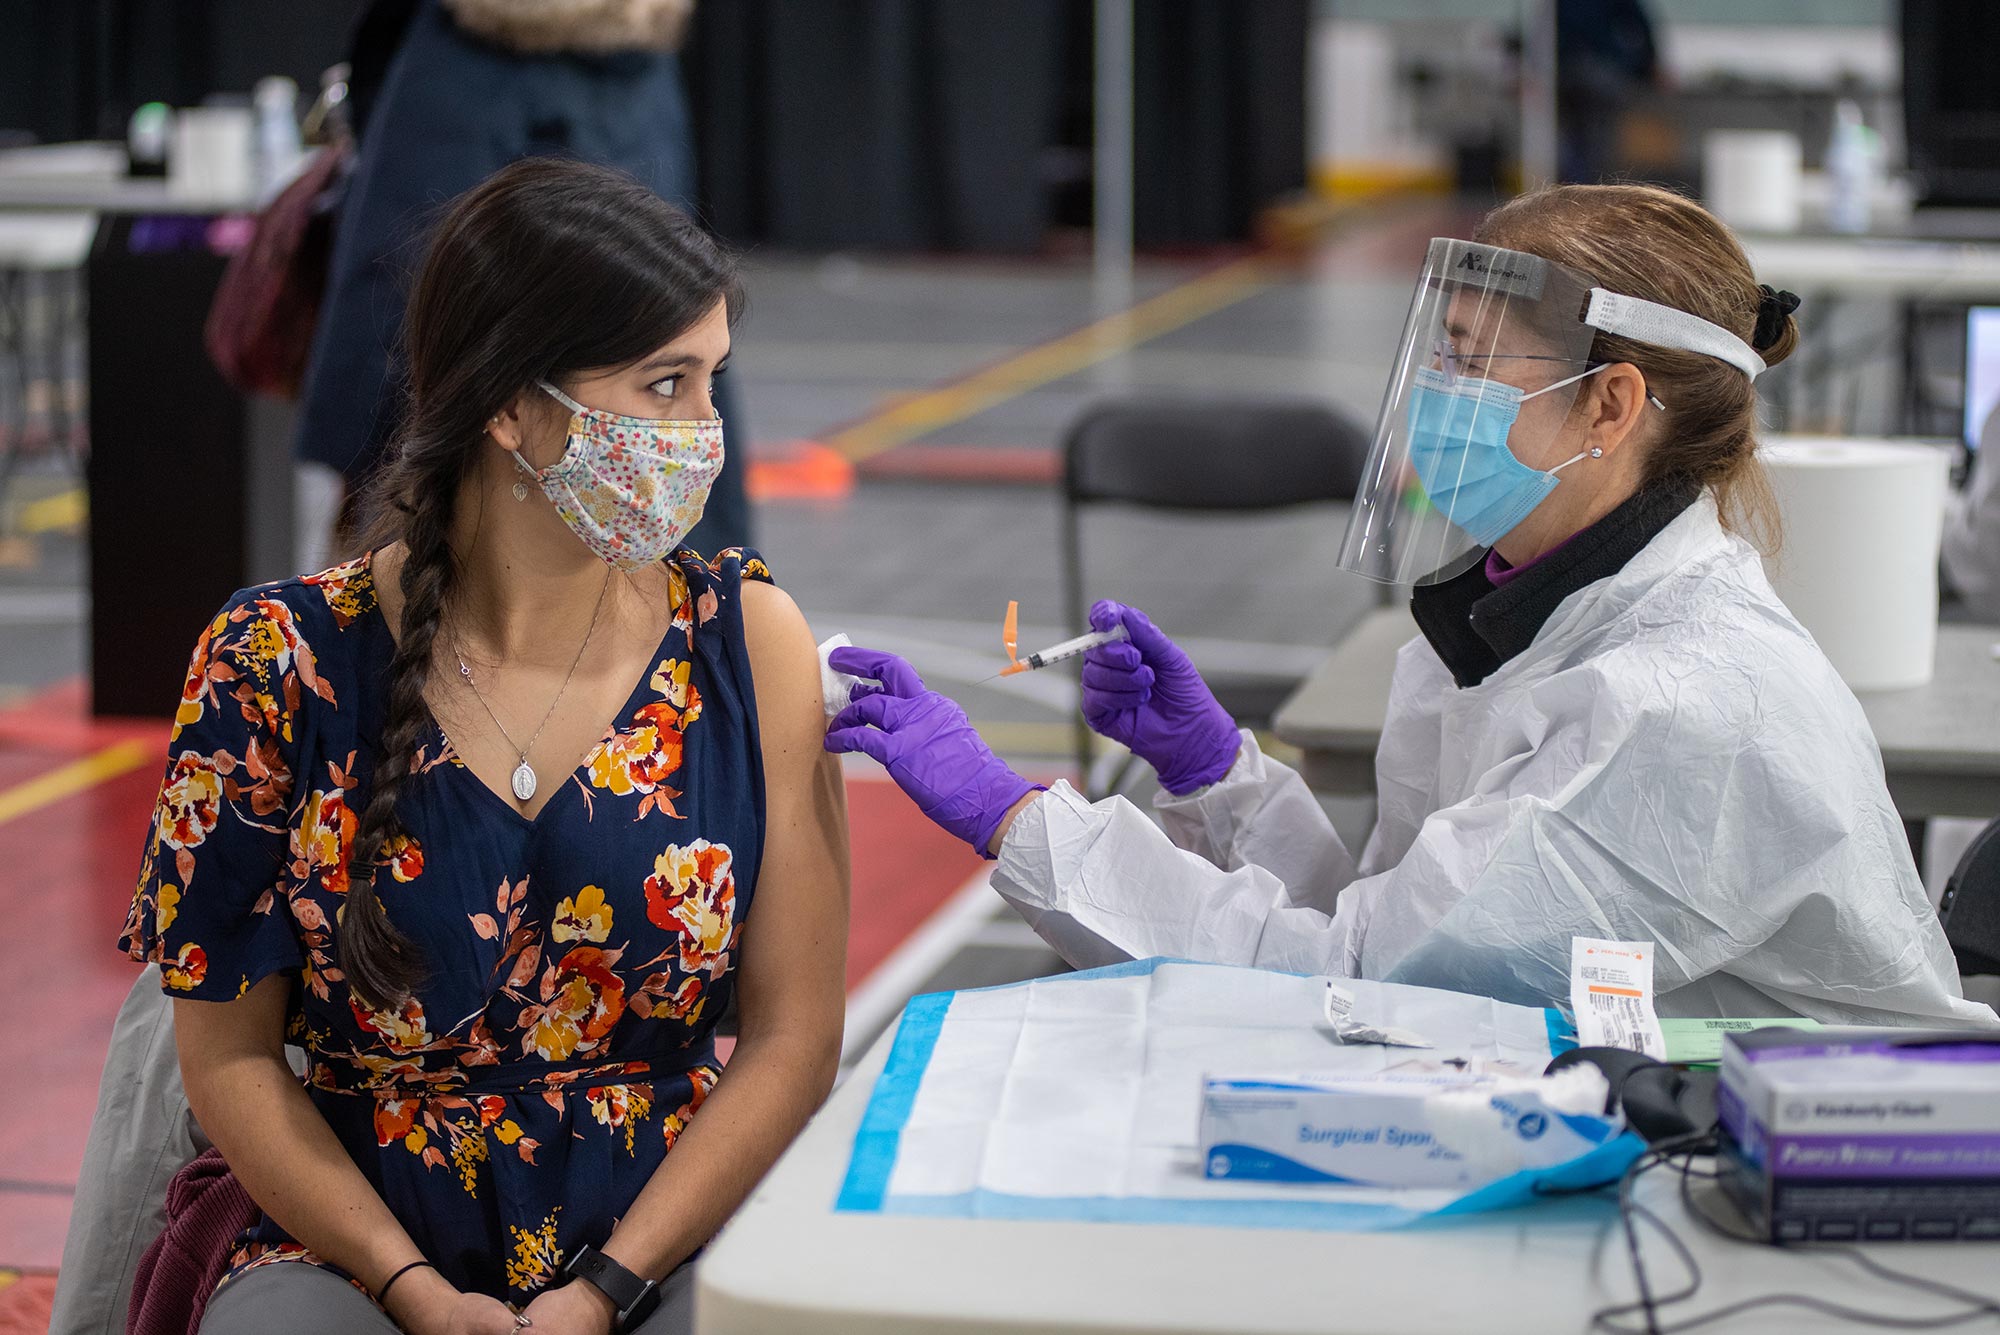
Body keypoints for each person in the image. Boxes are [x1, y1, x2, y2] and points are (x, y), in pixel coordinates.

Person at [828, 183, 1996, 1028]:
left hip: (1821, 1184)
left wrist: (1013, 819)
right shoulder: (1517, 619)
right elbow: (1404, 926)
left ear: (1609, 406)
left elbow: (1356, 984)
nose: (1438, 397)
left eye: (1471, 363)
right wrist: (1215, 776)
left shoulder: (1676, 702)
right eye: (1437, 356)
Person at [120, 158, 848, 1335]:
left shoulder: (747, 639)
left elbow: (793, 1037)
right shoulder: (272, 659)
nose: (702, 433)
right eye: (664, 385)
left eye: (712, 382)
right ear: (511, 405)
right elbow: (232, 1063)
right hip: (354, 1231)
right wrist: (407, 1288)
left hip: (664, 1226)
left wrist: (608, 1290)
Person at [297, 0, 752, 557]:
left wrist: (355, 448)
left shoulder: (461, 67)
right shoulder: (639, 69)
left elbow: (397, 284)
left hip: (487, 499)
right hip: (594, 496)